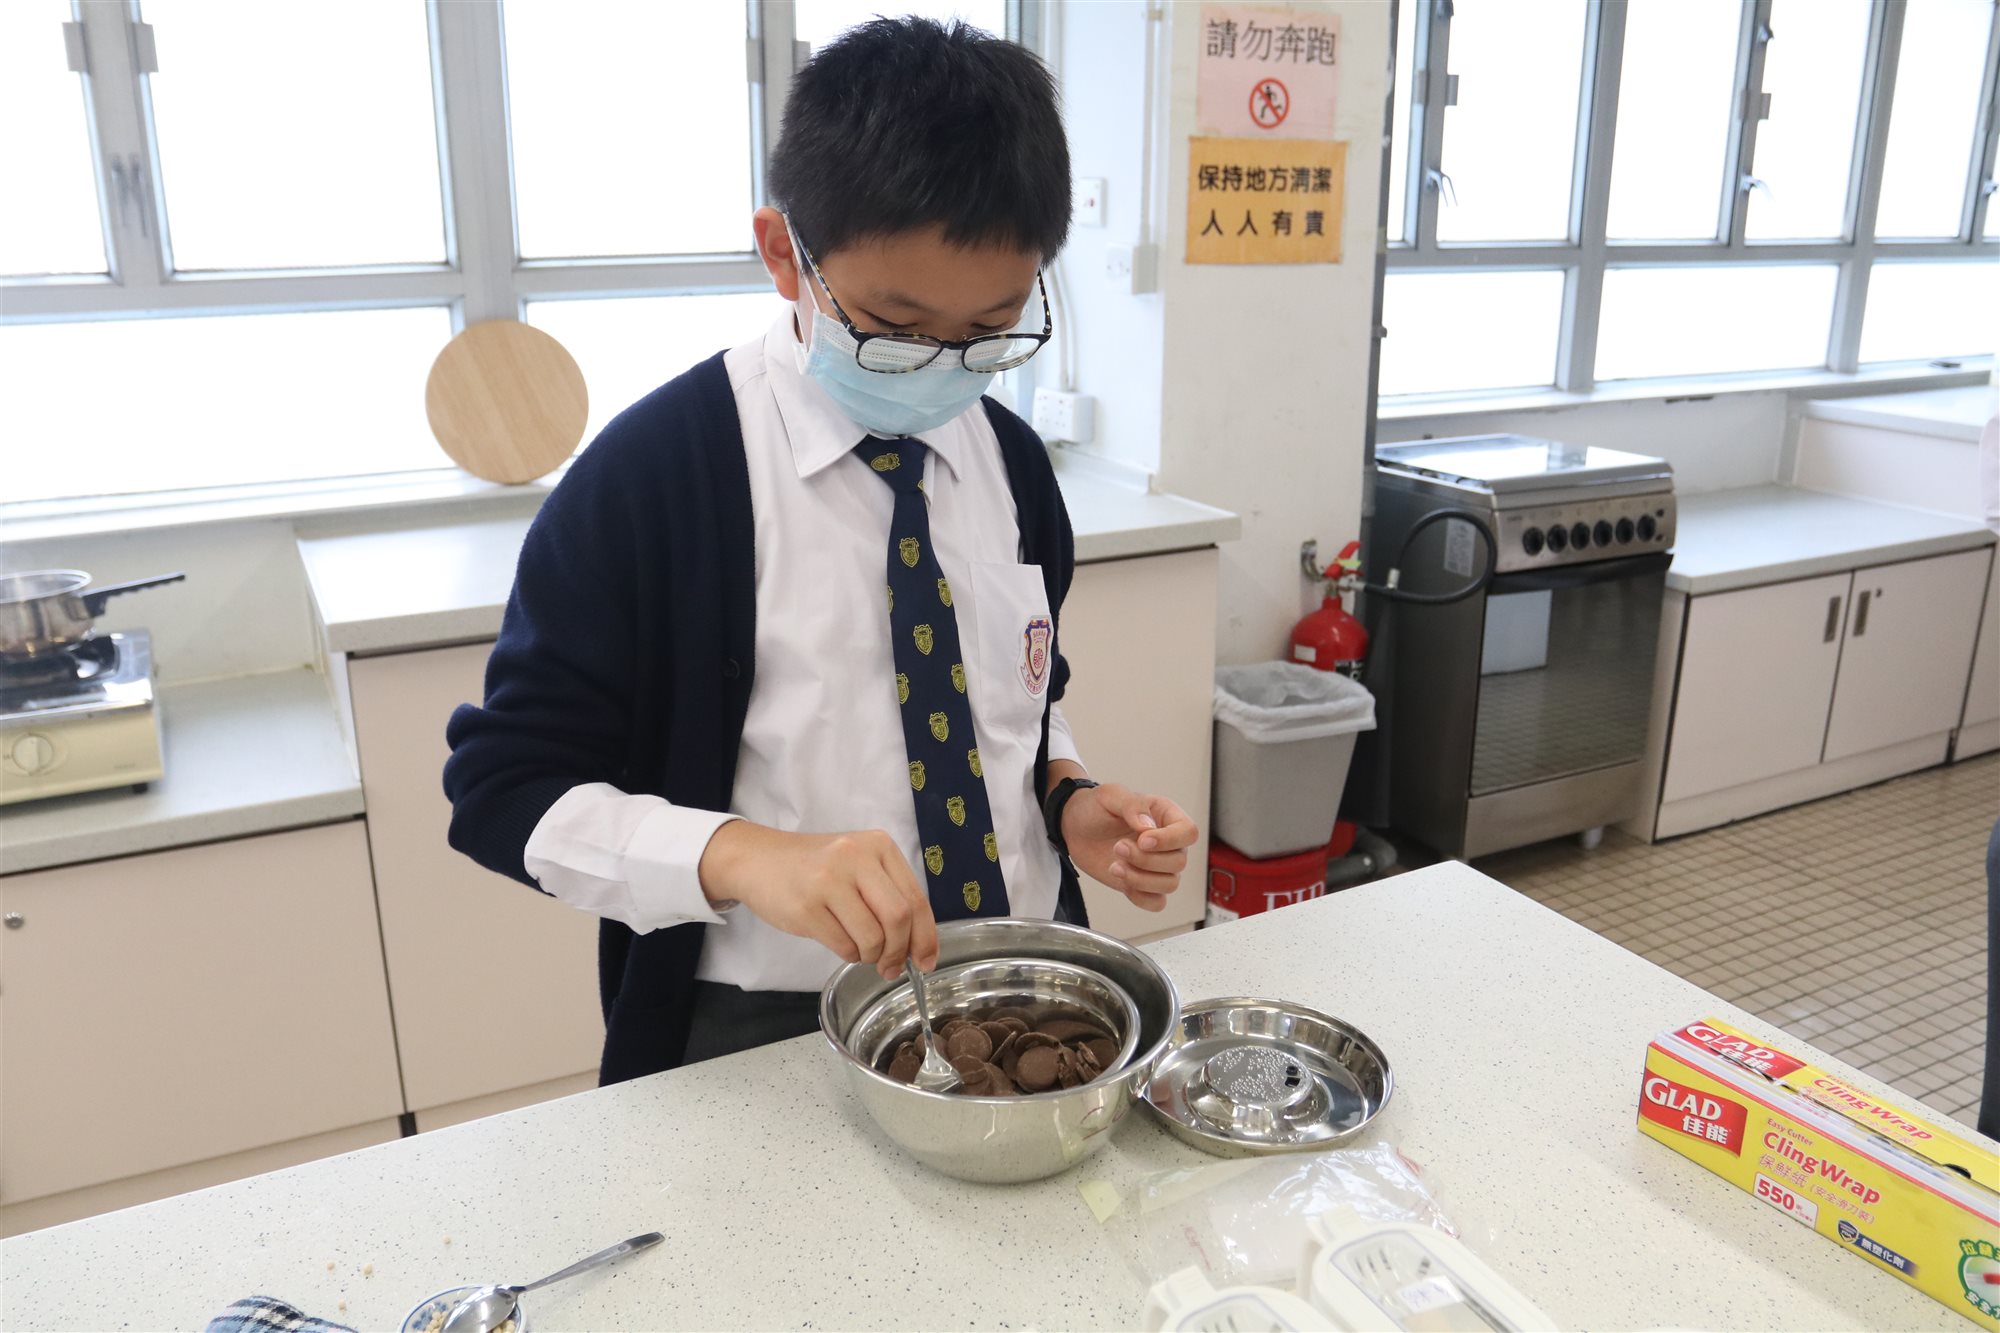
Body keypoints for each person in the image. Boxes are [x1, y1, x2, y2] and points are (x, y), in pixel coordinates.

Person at [442, 17, 1199, 1085]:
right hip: (757, 1025)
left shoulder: (1012, 463)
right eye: (895, 324)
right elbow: (502, 789)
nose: (942, 365)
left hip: (1018, 983)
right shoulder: (652, 479)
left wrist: (1067, 795)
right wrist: (744, 856)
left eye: (989, 328)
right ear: (782, 254)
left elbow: (1019, 693)